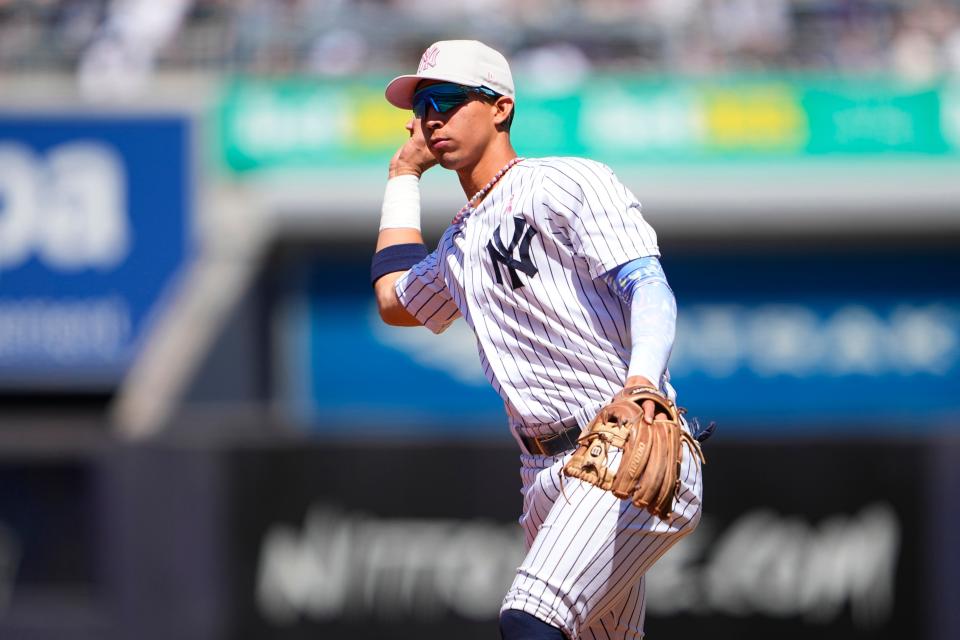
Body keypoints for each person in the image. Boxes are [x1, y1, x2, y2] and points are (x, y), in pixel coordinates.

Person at [370, 40, 703, 640]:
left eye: (448, 99)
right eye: (423, 108)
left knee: (530, 619)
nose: (433, 118)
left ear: (500, 108)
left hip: (622, 441)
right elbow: (394, 300)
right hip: (542, 473)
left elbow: (648, 285)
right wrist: (402, 175)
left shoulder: (563, 180)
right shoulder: (459, 245)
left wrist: (644, 382)